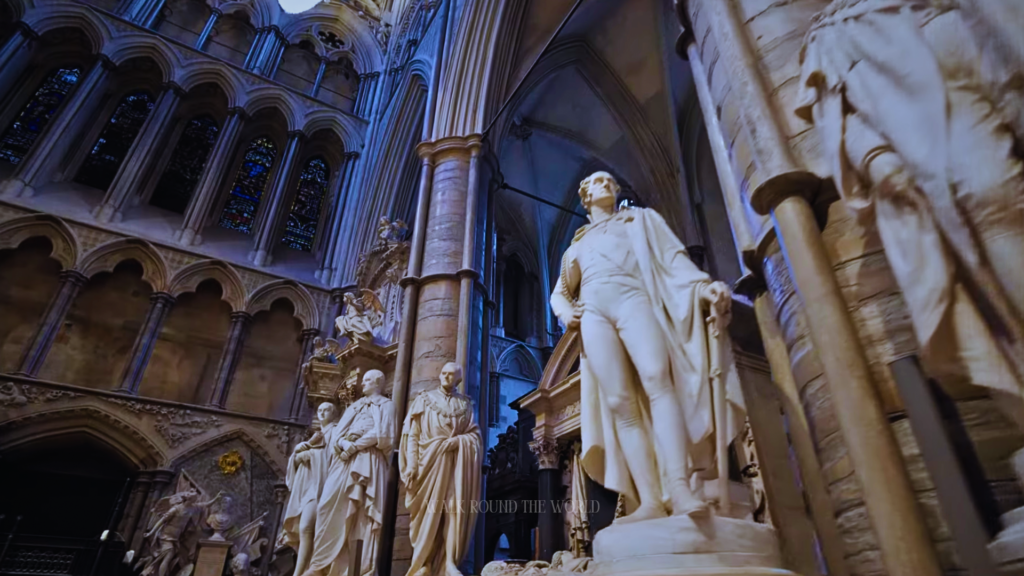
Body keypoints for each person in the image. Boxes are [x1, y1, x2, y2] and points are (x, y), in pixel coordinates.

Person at [550, 171, 742, 523]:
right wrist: (565, 312)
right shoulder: (575, 247)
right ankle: (650, 499)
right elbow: (559, 293)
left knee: (657, 379)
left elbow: (674, 262)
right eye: (597, 181)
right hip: (593, 313)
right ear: (585, 197)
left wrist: (703, 287)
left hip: (634, 299)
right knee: (619, 402)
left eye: (609, 181)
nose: (605, 183)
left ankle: (679, 488)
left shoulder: (641, 221)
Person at [304, 370, 394, 576]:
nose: (363, 384)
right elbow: (338, 433)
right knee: (327, 504)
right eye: (363, 381)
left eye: (368, 380)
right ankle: (320, 564)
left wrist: (355, 446)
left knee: (362, 511)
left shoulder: (386, 405)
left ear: (378, 382)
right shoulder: (355, 405)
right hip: (344, 459)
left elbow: (384, 434)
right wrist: (344, 444)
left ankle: (358, 567)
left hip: (368, 457)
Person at [399, 363, 483, 576]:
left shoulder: (465, 404)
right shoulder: (424, 399)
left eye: (451, 375)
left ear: (458, 379)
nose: (446, 377)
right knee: (429, 511)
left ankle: (449, 562)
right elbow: (413, 435)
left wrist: (458, 442)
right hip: (428, 462)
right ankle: (423, 562)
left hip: (456, 463)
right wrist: (412, 464)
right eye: (443, 373)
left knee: (453, 508)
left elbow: (475, 435)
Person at [282, 402, 340, 576]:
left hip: (322, 484)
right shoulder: (315, 435)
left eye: (326, 410)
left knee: (307, 526)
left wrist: (309, 452)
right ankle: (305, 569)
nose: (322, 413)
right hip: (308, 485)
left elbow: (334, 456)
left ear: (334, 413)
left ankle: (307, 570)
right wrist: (300, 452)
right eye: (319, 410)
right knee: (305, 528)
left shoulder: (336, 430)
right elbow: (295, 461)